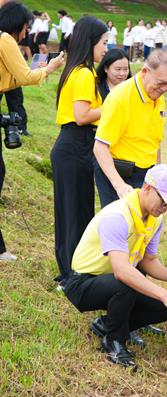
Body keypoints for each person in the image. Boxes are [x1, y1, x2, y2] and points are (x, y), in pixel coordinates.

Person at [64, 164, 167, 368]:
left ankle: (106, 324)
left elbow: (148, 260)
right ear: (146, 188)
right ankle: (114, 340)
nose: (166, 207)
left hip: (113, 280)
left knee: (166, 308)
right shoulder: (117, 215)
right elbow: (122, 272)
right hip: (82, 283)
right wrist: (164, 294)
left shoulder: (155, 219)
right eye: (164, 200)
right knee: (127, 282)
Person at [0, 1, 65, 262]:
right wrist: (49, 68)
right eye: (26, 27)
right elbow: (25, 77)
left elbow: (11, 79)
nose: (26, 33)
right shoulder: (5, 39)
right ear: (17, 24)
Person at [50, 16, 108, 288]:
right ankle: (73, 275)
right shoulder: (84, 73)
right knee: (76, 212)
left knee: (72, 211)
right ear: (91, 42)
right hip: (76, 144)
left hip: (72, 145)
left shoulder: (76, 70)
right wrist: (112, 105)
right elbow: (82, 115)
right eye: (104, 43)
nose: (106, 49)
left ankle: (69, 270)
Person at [93, 49, 167, 207]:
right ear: (145, 72)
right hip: (120, 173)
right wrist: (119, 185)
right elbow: (100, 147)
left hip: (146, 174)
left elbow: (155, 141)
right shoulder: (120, 98)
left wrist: (157, 173)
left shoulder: (158, 97)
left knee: (143, 225)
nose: (165, 89)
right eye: (161, 83)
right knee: (122, 224)